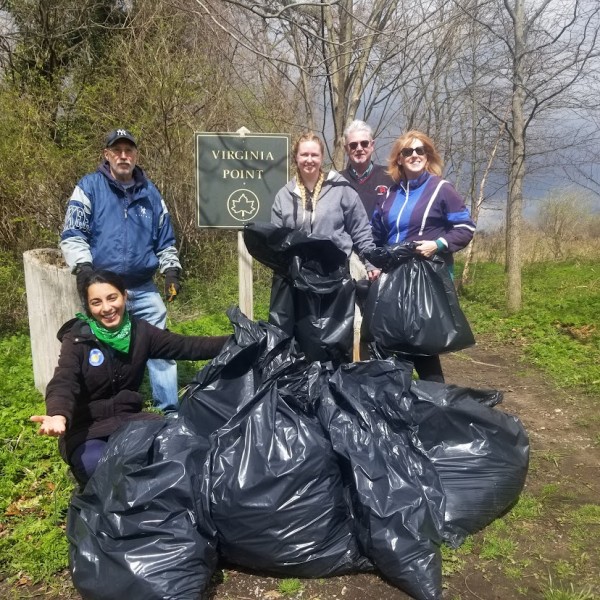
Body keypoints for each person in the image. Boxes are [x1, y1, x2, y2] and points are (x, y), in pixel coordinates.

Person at [30, 270, 228, 485]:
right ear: (88, 307)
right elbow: (64, 380)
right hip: (88, 429)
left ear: (124, 296)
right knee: (101, 468)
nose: (106, 308)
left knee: (181, 447)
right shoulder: (78, 338)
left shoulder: (141, 332)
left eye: (112, 298)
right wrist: (58, 414)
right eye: (96, 302)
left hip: (131, 420)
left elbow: (187, 346)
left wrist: (239, 340)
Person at [60, 128, 182, 413]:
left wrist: (171, 271)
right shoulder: (89, 187)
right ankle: (105, 409)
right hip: (103, 289)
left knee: (161, 347)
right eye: (117, 151)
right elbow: (73, 233)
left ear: (136, 156)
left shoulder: (151, 194)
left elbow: (165, 239)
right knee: (98, 351)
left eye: (129, 151)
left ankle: (170, 410)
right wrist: (84, 270)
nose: (123, 156)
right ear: (107, 155)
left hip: (142, 285)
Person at [370, 129, 476, 382]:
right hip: (394, 280)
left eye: (420, 150)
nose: (414, 155)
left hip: (427, 278)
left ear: (428, 157)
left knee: (423, 346)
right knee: (394, 343)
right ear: (399, 159)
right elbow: (376, 235)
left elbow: (465, 228)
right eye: (408, 151)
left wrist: (437, 244)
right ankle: (403, 405)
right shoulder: (389, 196)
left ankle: (436, 405)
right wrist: (374, 264)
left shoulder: (442, 189)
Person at [270, 131, 379, 362]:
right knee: (301, 338)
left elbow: (360, 229)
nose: (309, 160)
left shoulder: (341, 189)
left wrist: (371, 262)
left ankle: (335, 384)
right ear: (296, 158)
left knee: (335, 338)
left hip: (335, 275)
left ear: (321, 158)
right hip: (298, 277)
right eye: (304, 154)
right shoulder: (284, 195)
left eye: (314, 154)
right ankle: (303, 387)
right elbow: (277, 238)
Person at [340, 120, 394, 219]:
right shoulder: (337, 181)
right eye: (353, 145)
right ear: (346, 149)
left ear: (372, 146)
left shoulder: (390, 176)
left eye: (364, 143)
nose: (359, 148)